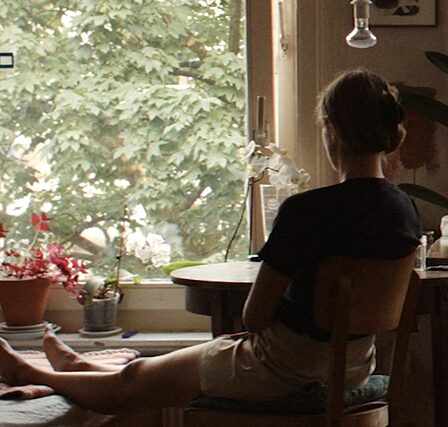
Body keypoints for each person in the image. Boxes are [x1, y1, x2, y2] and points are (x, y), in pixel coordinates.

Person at [0, 68, 422, 414]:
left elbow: (254, 316)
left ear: (331, 130)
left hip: (283, 371)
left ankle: (33, 374)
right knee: (185, 360)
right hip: (352, 367)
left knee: (134, 383)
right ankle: (77, 366)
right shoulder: (405, 210)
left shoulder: (306, 210)